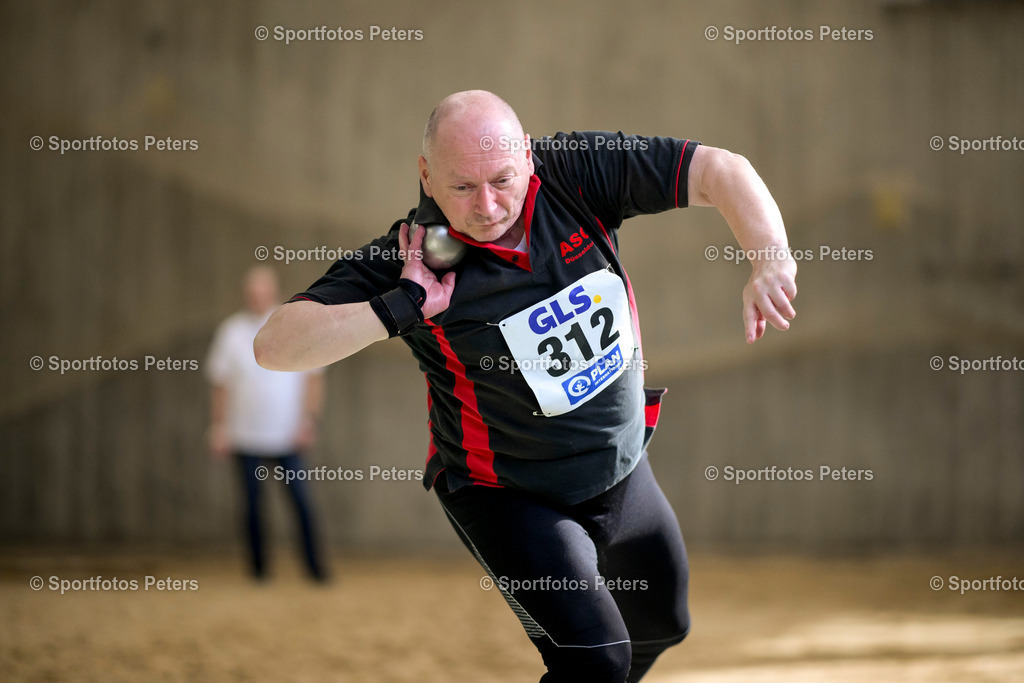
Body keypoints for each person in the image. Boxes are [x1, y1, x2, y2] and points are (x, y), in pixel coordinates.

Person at [254, 90, 797, 681]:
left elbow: (720, 169)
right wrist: (402, 306)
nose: (487, 206)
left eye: (502, 180)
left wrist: (770, 258)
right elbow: (275, 347)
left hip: (619, 466)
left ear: (530, 158)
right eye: (462, 187)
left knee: (663, 626)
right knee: (595, 661)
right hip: (506, 493)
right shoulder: (412, 257)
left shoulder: (577, 173)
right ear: (425, 175)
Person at [207, 265, 328, 582]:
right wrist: (219, 427)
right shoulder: (231, 332)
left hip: (287, 435)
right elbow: (221, 383)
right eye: (252, 292)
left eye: (263, 291)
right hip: (244, 435)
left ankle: (316, 570)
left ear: (273, 292)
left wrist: (308, 420)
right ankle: (259, 572)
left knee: (301, 504)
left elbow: (314, 376)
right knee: (251, 507)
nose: (257, 298)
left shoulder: (292, 326)